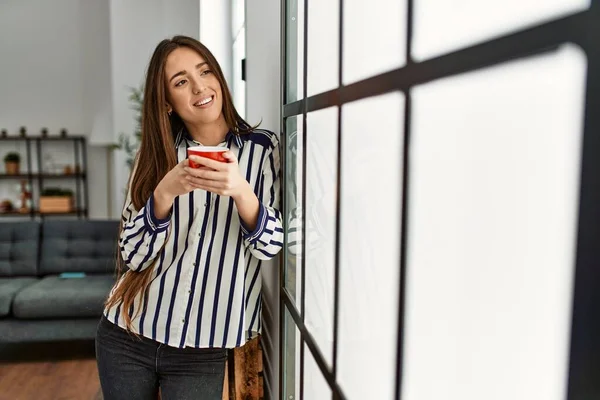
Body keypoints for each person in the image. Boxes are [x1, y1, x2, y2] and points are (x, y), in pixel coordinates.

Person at [95, 35, 283, 400]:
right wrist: (164, 193)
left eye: (205, 71)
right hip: (127, 336)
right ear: (166, 102)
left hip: (203, 348)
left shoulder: (263, 150)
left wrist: (242, 192)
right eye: (181, 81)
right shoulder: (154, 158)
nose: (200, 87)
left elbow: (271, 246)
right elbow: (132, 256)